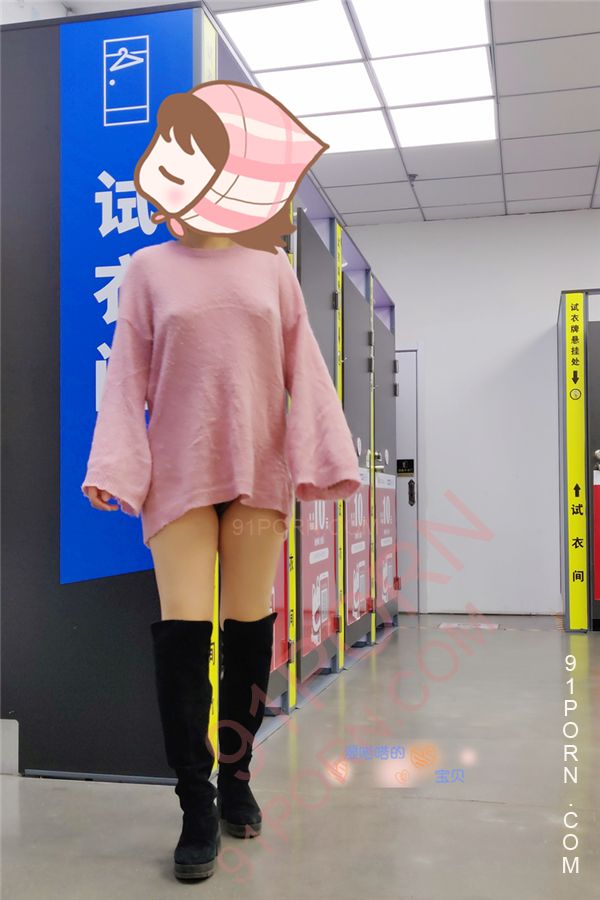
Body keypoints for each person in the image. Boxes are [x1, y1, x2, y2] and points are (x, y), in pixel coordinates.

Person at [81, 81, 360, 882]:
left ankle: (236, 780)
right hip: (178, 475)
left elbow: (305, 372)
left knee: (247, 638)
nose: (163, 165)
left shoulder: (273, 270)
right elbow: (126, 379)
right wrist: (115, 467)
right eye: (163, 151)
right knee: (182, 641)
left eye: (183, 153)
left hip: (256, 474)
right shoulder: (146, 270)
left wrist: (326, 458)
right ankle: (194, 802)